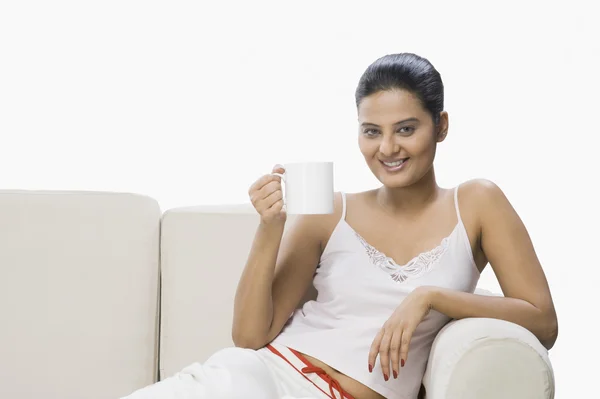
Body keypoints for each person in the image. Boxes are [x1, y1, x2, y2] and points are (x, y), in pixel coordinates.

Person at [121, 53, 558, 399]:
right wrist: (270, 228)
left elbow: (542, 321)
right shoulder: (330, 211)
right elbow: (250, 336)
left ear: (440, 126)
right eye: (372, 131)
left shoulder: (477, 202)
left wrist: (431, 297)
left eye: (406, 129)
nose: (388, 148)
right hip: (261, 376)